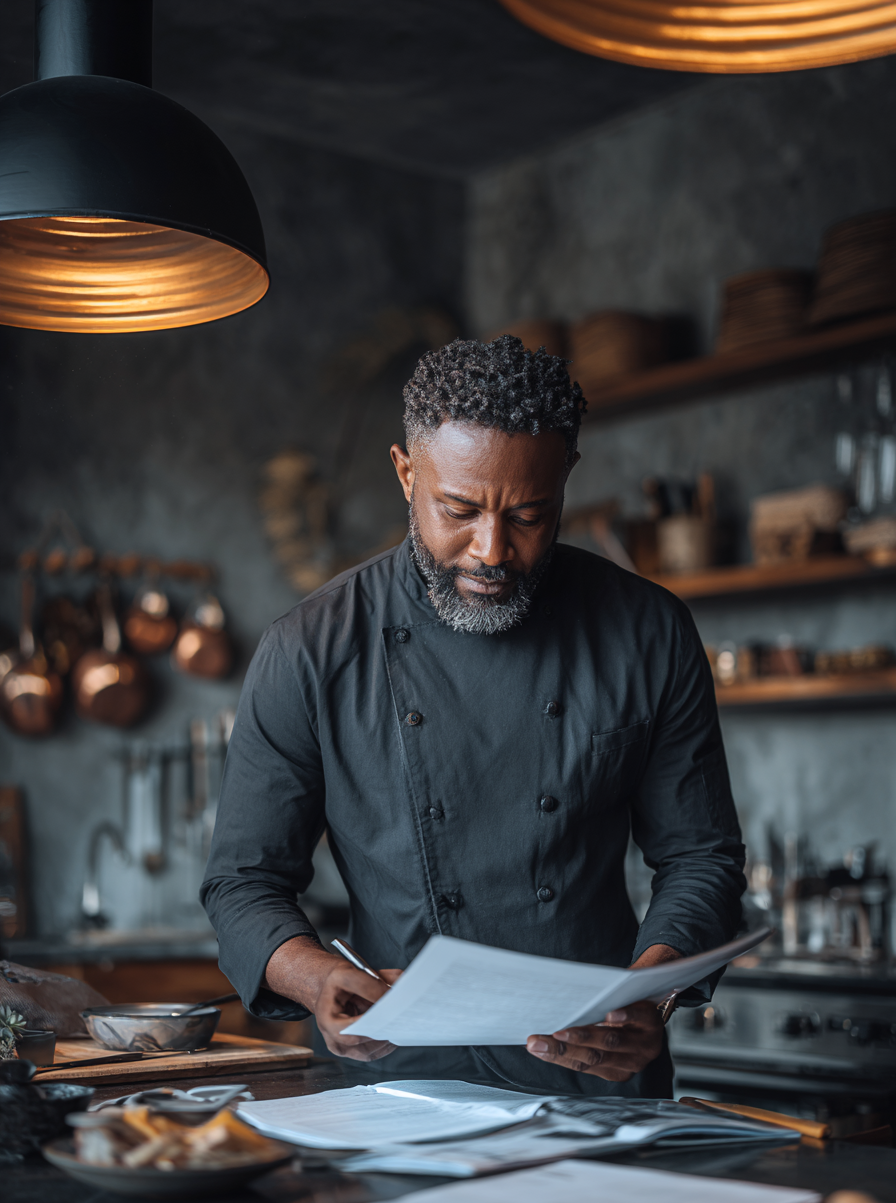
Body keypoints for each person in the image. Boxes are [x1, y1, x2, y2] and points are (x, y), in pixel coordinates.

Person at [201, 336, 745, 1097]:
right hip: (399, 1082)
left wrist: (648, 998)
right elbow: (243, 882)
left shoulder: (646, 630)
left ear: (566, 480)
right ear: (404, 472)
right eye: (458, 509)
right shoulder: (310, 648)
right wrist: (318, 978)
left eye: (530, 514)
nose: (493, 550)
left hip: (597, 1074)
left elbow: (701, 859)